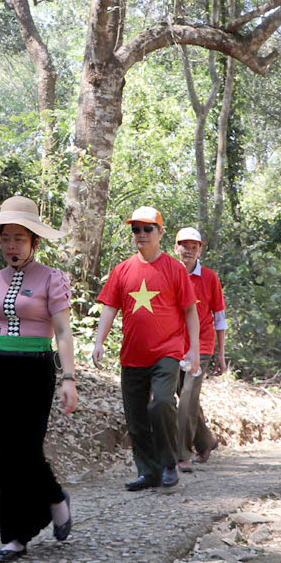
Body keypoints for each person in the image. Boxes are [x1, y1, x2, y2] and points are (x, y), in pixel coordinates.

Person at [0, 196, 76, 563]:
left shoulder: (52, 279)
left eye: (19, 238)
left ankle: (54, 499)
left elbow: (63, 333)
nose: (11, 246)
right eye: (5, 238)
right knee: (5, 453)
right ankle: (14, 536)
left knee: (27, 448)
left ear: (34, 241)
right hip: (3, 370)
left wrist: (69, 378)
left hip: (36, 369)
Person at [93, 207, 199, 491]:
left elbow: (190, 311)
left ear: (160, 232)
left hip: (167, 351)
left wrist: (194, 351)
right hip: (133, 354)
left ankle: (167, 464)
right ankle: (147, 471)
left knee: (162, 403)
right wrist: (99, 341)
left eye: (147, 229)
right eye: (136, 229)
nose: (141, 234)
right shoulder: (122, 270)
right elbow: (110, 307)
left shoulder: (174, 269)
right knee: (136, 418)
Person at [173, 227, 226, 472]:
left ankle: (181, 454)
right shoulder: (169, 273)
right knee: (183, 395)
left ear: (200, 250)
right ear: (176, 247)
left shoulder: (210, 277)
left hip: (201, 346)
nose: (189, 250)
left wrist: (221, 354)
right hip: (173, 345)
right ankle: (206, 441)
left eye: (194, 246)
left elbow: (220, 317)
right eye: (184, 245)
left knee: (187, 397)